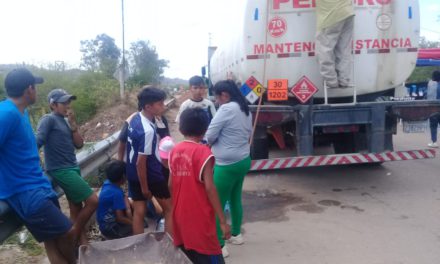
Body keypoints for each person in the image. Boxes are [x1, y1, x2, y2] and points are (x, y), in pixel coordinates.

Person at [0, 68, 76, 263]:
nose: (37, 91)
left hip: (38, 184)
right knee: (69, 231)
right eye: (35, 87)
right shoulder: (6, 114)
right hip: (25, 192)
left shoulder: (20, 112)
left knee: (52, 241)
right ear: (29, 89)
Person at [36, 88, 98, 246]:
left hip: (72, 167)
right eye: (64, 102)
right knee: (93, 201)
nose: (68, 105)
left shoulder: (65, 121)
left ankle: (82, 247)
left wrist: (73, 126)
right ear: (53, 105)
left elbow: (79, 144)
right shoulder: (48, 119)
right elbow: (37, 142)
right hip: (61, 170)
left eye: (68, 102)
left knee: (76, 210)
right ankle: (71, 236)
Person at [169, 108, 231, 264]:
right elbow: (210, 188)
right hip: (200, 217)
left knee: (188, 255)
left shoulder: (175, 150)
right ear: (204, 130)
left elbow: (170, 184)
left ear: (182, 128)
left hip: (180, 215)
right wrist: (222, 221)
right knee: (209, 253)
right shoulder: (203, 153)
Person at [205, 80, 252, 258]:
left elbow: (209, 135)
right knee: (234, 198)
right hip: (243, 160)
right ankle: (236, 235)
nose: (216, 102)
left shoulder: (226, 109)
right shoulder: (244, 108)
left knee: (216, 203)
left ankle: (219, 244)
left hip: (226, 164)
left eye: (217, 98)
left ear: (224, 95)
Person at [125, 87, 173, 235]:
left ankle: (138, 245)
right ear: (148, 106)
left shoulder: (135, 118)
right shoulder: (148, 131)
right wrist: (145, 189)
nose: (163, 106)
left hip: (132, 172)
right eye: (160, 104)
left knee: (139, 210)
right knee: (169, 209)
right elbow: (141, 162)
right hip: (149, 175)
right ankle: (170, 245)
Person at [315, 0, 355, 88]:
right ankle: (344, 80)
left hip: (330, 17)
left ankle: (331, 82)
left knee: (324, 50)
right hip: (347, 12)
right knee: (344, 50)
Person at [97, 160, 133, 239]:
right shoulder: (116, 193)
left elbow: (124, 196)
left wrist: (128, 209)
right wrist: (133, 223)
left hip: (103, 224)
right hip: (110, 228)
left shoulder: (107, 183)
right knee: (137, 226)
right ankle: (113, 237)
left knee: (130, 204)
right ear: (123, 177)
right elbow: (119, 218)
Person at [427, 70, 440, 148]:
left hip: (433, 108)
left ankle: (434, 142)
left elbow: (427, 95)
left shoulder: (431, 85)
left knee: (433, 126)